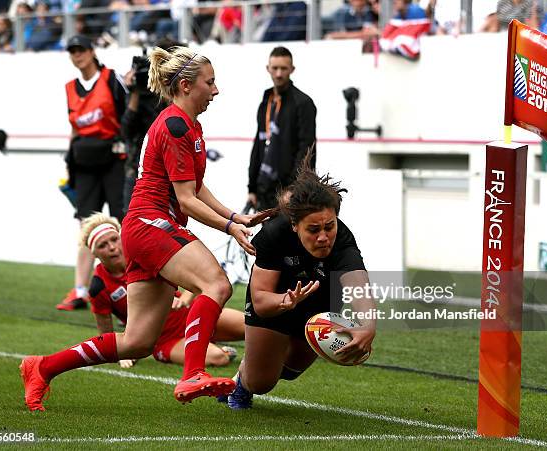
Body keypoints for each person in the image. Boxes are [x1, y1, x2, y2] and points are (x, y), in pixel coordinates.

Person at [21, 46, 260, 412]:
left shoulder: (186, 123)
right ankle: (193, 372)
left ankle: (42, 367)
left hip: (143, 226)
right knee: (216, 284)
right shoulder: (176, 125)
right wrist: (230, 227)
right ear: (184, 85)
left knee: (136, 342)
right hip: (151, 224)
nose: (216, 90)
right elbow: (186, 201)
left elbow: (195, 187)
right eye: (210, 82)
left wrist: (234, 217)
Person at [227, 155, 376, 409]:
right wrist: (284, 301)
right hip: (275, 299)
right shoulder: (274, 234)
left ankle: (262, 360)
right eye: (313, 229)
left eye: (329, 226)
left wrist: (368, 325)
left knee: (293, 370)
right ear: (295, 225)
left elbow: (358, 286)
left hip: (318, 300)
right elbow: (261, 300)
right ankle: (243, 379)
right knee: (261, 383)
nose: (323, 236)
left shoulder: (343, 240)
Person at [84, 212, 244, 369]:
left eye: (114, 239)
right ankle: (215, 348)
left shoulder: (143, 252)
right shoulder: (99, 286)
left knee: (252, 326)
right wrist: (120, 354)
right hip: (166, 340)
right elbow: (105, 334)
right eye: (102, 245)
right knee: (218, 358)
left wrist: (184, 299)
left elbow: (197, 277)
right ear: (94, 253)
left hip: (192, 315)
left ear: (121, 237)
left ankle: (207, 339)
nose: (112, 247)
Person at [57, 34, 128, 312]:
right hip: (84, 163)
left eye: (81, 50)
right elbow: (74, 128)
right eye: (72, 51)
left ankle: (136, 282)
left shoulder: (111, 79)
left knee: (124, 222)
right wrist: (68, 159)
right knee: (86, 227)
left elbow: (127, 117)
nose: (78, 55)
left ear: (91, 51)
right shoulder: (70, 88)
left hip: (113, 160)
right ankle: (80, 290)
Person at [248, 46, 317, 212]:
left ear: (292, 70)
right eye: (275, 68)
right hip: (264, 190)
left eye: (283, 68)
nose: (279, 73)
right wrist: (252, 188)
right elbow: (259, 144)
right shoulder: (265, 102)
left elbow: (307, 150)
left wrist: (294, 189)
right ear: (268, 69)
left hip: (289, 193)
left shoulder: (303, 103)